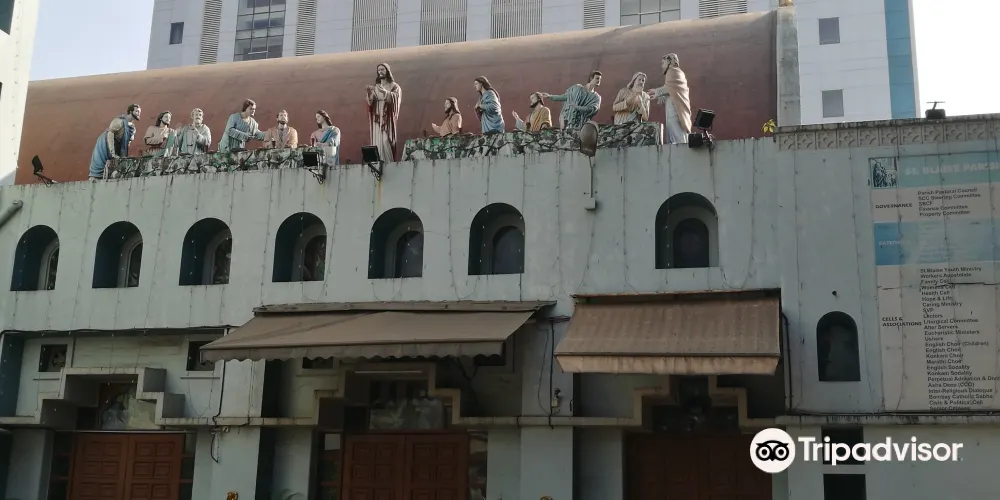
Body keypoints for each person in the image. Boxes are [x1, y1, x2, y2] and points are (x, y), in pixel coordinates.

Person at [647, 53, 692, 144]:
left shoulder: (673, 71)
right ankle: (676, 146)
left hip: (676, 109)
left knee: (676, 130)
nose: (662, 66)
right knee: (672, 129)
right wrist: (660, 96)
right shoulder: (673, 72)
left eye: (663, 63)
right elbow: (671, 90)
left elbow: (671, 88)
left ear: (669, 61)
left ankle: (679, 146)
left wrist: (656, 91)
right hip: (673, 107)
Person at [88, 104, 140, 181]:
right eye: (137, 111)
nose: (139, 113)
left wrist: (123, 156)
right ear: (130, 111)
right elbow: (110, 133)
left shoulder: (132, 128)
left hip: (117, 145)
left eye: (139, 112)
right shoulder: (119, 121)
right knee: (101, 165)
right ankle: (96, 178)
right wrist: (112, 153)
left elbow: (126, 144)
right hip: (105, 143)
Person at [366, 63, 402, 162]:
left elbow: (396, 98)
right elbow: (370, 103)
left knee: (386, 140)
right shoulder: (376, 87)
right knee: (377, 140)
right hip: (377, 117)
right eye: (379, 70)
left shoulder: (394, 86)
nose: (380, 72)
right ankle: (378, 161)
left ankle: (388, 161)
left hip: (387, 118)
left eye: (382, 69)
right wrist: (369, 94)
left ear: (387, 71)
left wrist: (386, 93)